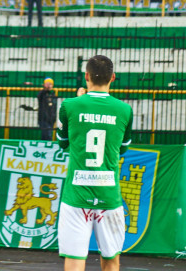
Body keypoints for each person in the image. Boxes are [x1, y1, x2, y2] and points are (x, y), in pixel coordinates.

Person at [56, 55, 132, 271]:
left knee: (74, 259)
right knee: (111, 260)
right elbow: (122, 149)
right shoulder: (125, 110)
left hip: (76, 196)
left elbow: (62, 143)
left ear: (86, 76)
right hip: (109, 196)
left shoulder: (69, 106)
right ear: (113, 77)